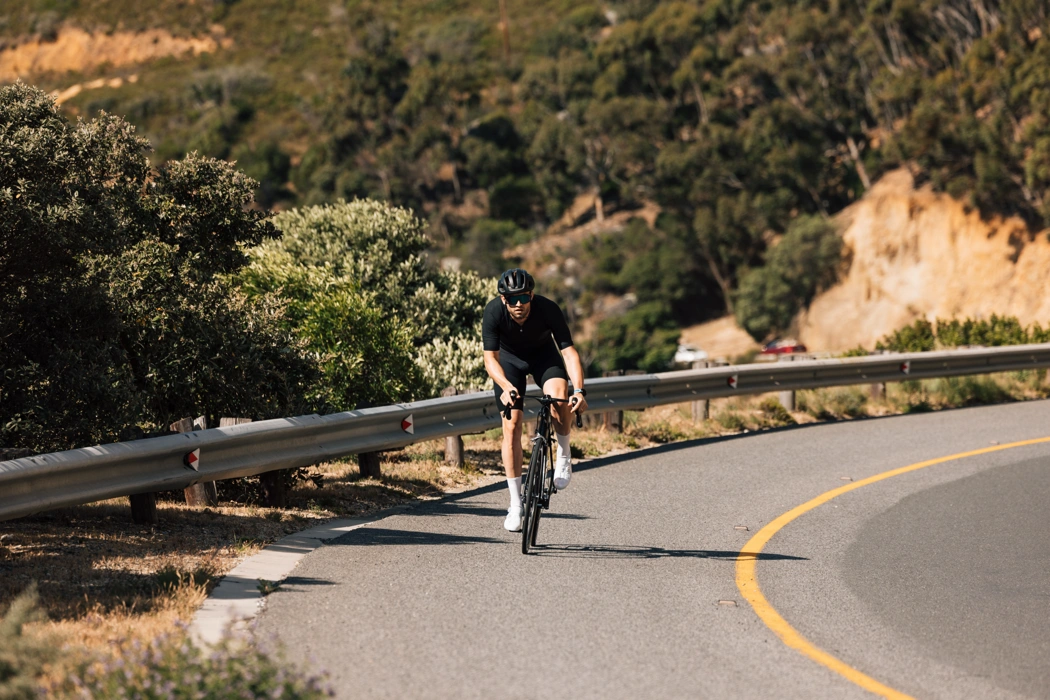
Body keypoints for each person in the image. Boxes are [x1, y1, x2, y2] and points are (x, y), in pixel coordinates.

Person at [482, 268, 588, 532]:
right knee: (512, 425)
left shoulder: (548, 309)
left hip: (544, 357)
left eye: (524, 298)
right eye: (512, 299)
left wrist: (580, 390)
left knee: (558, 399)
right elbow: (490, 359)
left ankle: (563, 453)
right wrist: (505, 386)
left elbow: (569, 353)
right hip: (509, 363)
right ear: (504, 299)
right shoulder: (493, 312)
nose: (519, 305)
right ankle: (516, 504)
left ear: (532, 294)